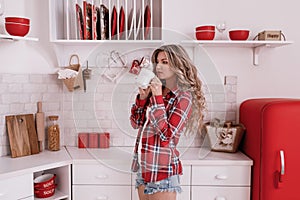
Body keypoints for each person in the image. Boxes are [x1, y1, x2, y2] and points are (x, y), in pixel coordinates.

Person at [130, 44, 205, 200]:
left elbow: (166, 136)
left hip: (162, 170)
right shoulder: (157, 90)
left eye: (165, 62)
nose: (159, 66)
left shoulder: (183, 97)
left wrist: (156, 98)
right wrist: (143, 99)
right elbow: (136, 123)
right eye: (157, 62)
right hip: (144, 166)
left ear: (177, 64)